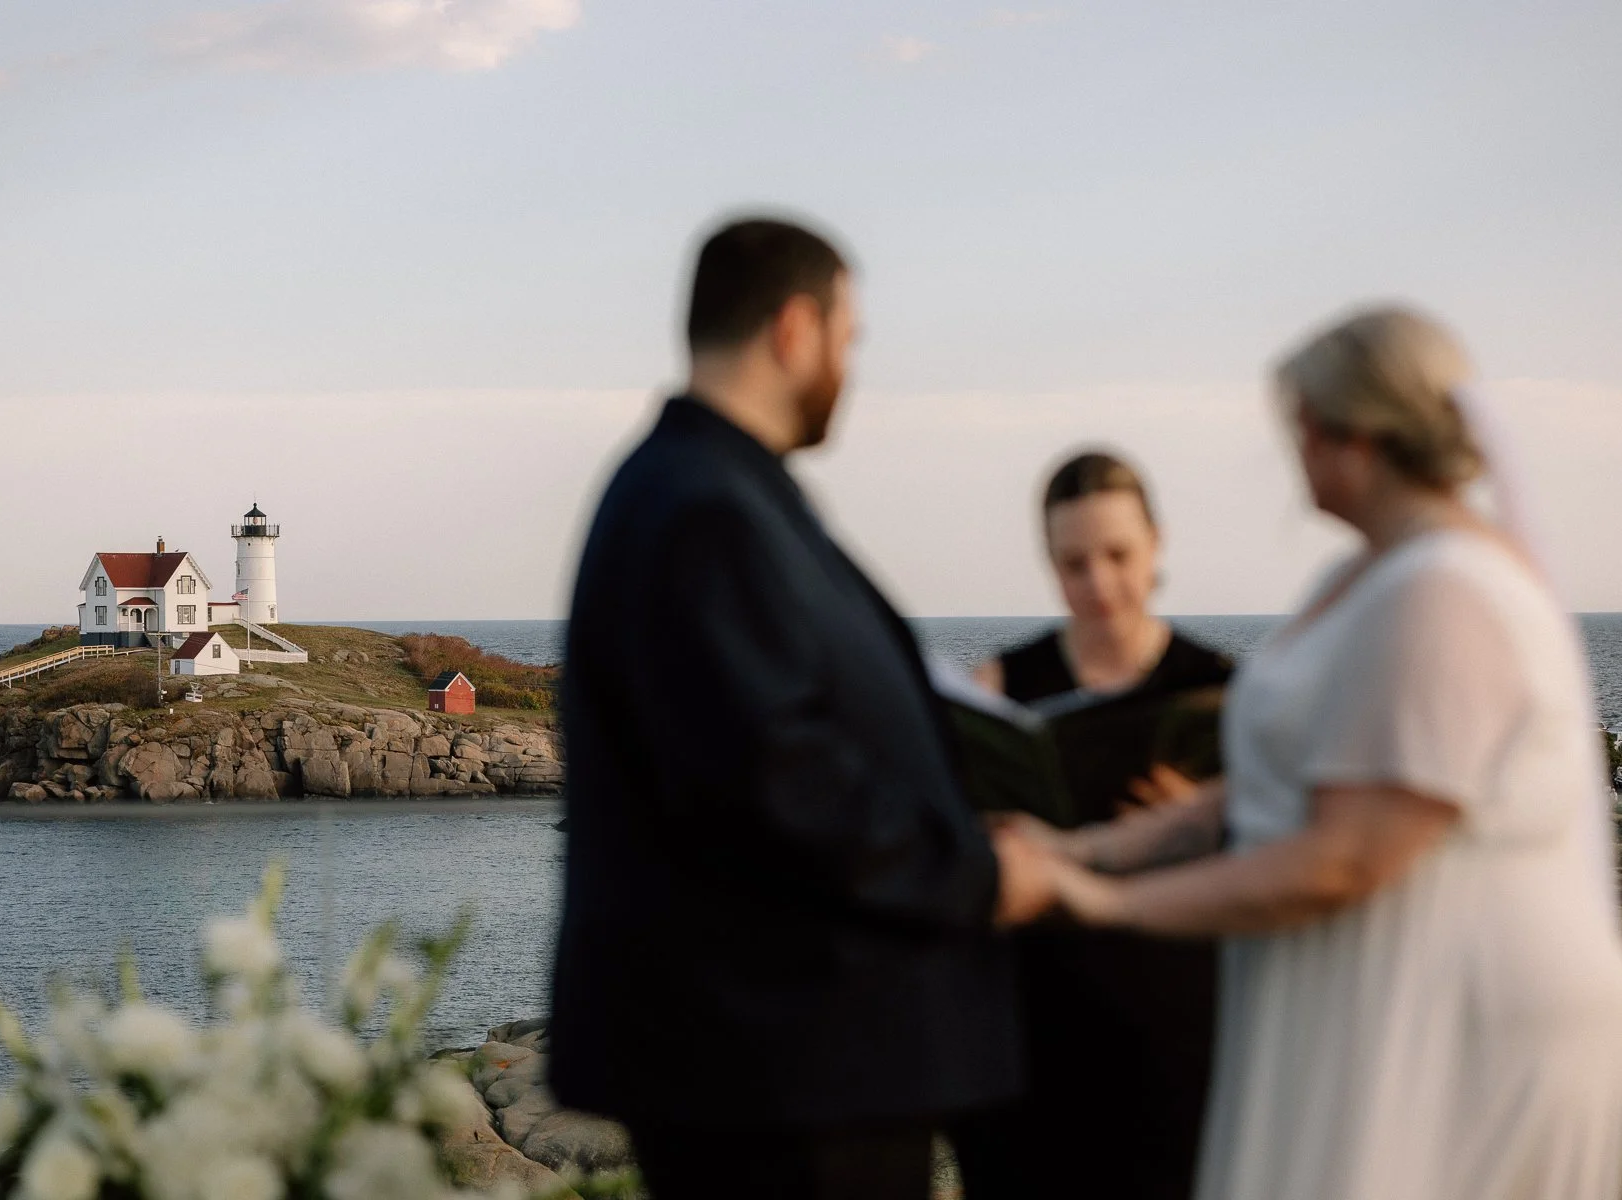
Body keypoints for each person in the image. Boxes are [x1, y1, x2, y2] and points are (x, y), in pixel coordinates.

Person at [1035, 306, 1622, 1200]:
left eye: (1300, 426)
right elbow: (1266, 791)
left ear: (1351, 435)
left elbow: (1343, 858)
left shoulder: (1445, 593)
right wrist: (1079, 847)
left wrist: (1102, 903)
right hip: (1358, 1003)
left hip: (1450, 1030)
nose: (1294, 451)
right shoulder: (1359, 577)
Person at [549, 217, 1055, 1200]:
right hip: (778, 1075)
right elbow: (774, 778)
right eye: (848, 338)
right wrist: (977, 875)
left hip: (783, 1063)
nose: (849, 368)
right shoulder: (705, 508)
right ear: (794, 328)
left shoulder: (715, 491)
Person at [951, 452, 1233, 1200]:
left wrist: (1196, 820)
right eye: (1075, 564)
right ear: (1049, 564)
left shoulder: (1221, 691)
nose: (1100, 585)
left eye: (1119, 556)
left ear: (1157, 545)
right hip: (1042, 1022)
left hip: (1180, 1024)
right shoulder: (1000, 691)